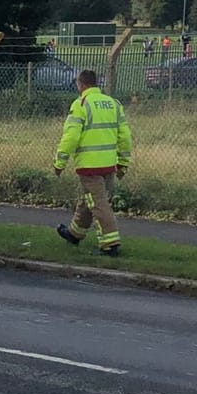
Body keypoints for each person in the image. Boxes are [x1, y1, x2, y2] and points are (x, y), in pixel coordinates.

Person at [53, 69, 133, 256]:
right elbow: (125, 136)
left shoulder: (81, 104)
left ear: (80, 84)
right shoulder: (113, 104)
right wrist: (123, 162)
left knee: (99, 204)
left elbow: (70, 137)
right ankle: (74, 233)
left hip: (89, 166)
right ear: (96, 83)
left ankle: (110, 244)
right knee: (89, 200)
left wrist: (60, 162)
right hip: (109, 164)